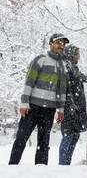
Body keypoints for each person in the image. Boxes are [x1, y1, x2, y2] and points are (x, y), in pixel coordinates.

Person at [8, 33, 69, 165]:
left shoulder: (62, 66)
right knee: (21, 138)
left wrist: (61, 109)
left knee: (43, 142)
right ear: (51, 44)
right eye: (58, 43)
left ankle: (40, 170)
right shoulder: (40, 59)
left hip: (49, 110)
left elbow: (61, 89)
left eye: (63, 44)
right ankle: (12, 167)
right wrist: (24, 103)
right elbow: (28, 82)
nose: (61, 46)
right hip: (33, 106)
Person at [58, 45, 87, 165]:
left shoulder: (74, 68)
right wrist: (71, 104)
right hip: (69, 108)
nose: (78, 57)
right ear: (70, 54)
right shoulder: (66, 67)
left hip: (76, 107)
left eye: (78, 54)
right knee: (68, 136)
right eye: (76, 54)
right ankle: (63, 164)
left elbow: (84, 78)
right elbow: (66, 88)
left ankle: (66, 162)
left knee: (74, 136)